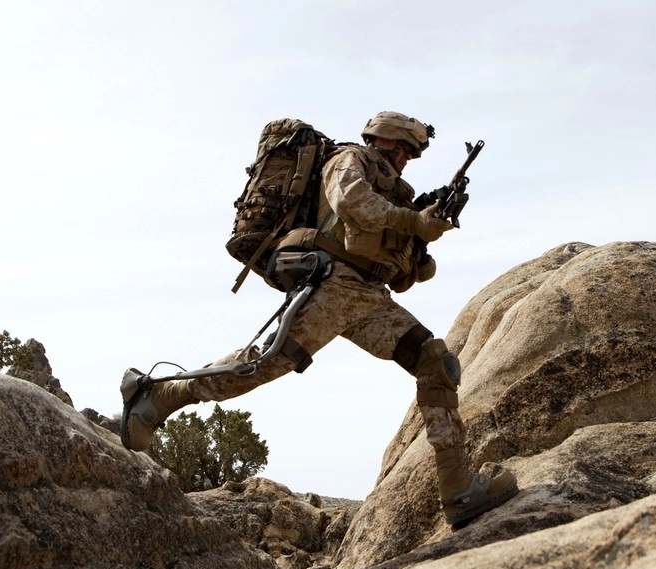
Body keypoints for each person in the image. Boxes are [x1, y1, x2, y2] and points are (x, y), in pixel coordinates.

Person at [121, 111, 518, 526]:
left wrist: (422, 237)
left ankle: (457, 490)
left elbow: (404, 275)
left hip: (368, 297)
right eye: (405, 151)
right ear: (386, 140)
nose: (407, 161)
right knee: (264, 363)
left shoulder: (395, 193)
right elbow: (351, 202)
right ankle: (158, 395)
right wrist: (412, 221)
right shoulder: (350, 159)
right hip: (334, 284)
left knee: (435, 361)